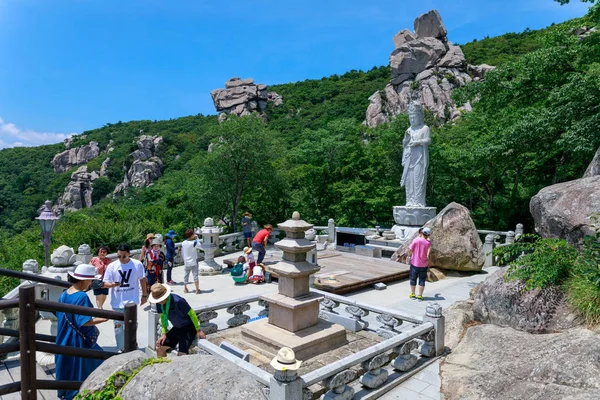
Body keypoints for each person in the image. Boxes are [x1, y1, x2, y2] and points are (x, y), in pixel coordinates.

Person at [56, 264, 108, 400]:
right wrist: (101, 319)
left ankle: (66, 392)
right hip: (77, 339)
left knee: (68, 365)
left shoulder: (64, 294)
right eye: (91, 280)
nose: (91, 283)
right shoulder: (82, 296)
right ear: (85, 280)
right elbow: (84, 321)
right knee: (96, 361)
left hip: (64, 336)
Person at [103, 244, 148, 352]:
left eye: (124, 256)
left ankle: (132, 346)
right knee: (118, 328)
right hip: (117, 302)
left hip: (131, 301)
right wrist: (113, 284)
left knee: (132, 326)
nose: (121, 259)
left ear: (129, 254)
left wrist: (144, 295)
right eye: (119, 256)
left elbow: (142, 279)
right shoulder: (112, 266)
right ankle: (121, 348)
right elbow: (105, 283)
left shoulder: (137, 264)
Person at [149, 283, 206, 356]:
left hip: (188, 328)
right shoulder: (159, 304)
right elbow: (163, 317)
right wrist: (164, 333)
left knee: (181, 355)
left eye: (161, 299)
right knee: (159, 348)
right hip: (176, 328)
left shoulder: (178, 301)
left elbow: (192, 313)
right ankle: (162, 365)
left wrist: (198, 330)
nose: (160, 301)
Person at [401, 99, 431, 207]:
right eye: (411, 117)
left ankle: (418, 201)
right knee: (409, 181)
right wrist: (405, 140)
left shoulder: (424, 128)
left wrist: (417, 142)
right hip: (409, 159)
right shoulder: (409, 129)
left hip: (420, 158)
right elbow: (405, 144)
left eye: (414, 117)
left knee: (418, 180)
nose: (412, 119)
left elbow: (428, 140)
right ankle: (409, 201)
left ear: (420, 116)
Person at [408, 227, 432, 301]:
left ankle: (412, 294)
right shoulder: (428, 243)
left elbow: (410, 249)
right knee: (422, 280)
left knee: (413, 279)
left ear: (421, 232)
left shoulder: (416, 240)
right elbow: (428, 250)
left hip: (414, 263)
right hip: (424, 265)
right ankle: (420, 296)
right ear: (428, 235)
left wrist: (409, 256)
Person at [181, 229, 200, 294]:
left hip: (186, 262)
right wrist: (197, 238)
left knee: (186, 275)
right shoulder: (193, 243)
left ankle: (185, 288)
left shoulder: (183, 243)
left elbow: (182, 252)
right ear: (192, 235)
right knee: (195, 275)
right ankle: (197, 290)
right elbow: (200, 246)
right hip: (194, 261)